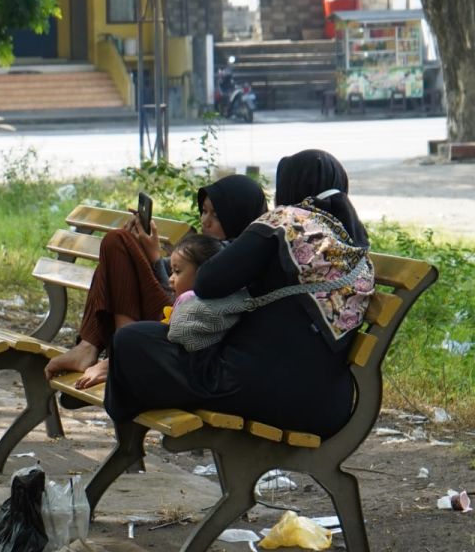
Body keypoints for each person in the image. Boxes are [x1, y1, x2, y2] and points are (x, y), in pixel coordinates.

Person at [104, 149, 374, 439]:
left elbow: (208, 282)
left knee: (130, 341)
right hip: (327, 405)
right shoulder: (355, 247)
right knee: (140, 343)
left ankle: (128, 441)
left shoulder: (286, 221)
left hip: (253, 387)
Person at [45, 174, 268, 388]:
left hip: (182, 325)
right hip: (171, 318)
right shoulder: (212, 246)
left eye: (217, 216)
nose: (205, 221)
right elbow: (173, 276)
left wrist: (151, 256)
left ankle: (118, 355)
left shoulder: (237, 256)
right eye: (204, 211)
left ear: (238, 216)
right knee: (119, 244)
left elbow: (186, 297)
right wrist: (145, 251)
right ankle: (92, 347)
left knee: (118, 241)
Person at [163, 233, 225, 326]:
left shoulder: (188, 304)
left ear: (203, 275)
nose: (170, 279)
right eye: (172, 271)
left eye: (177, 271)